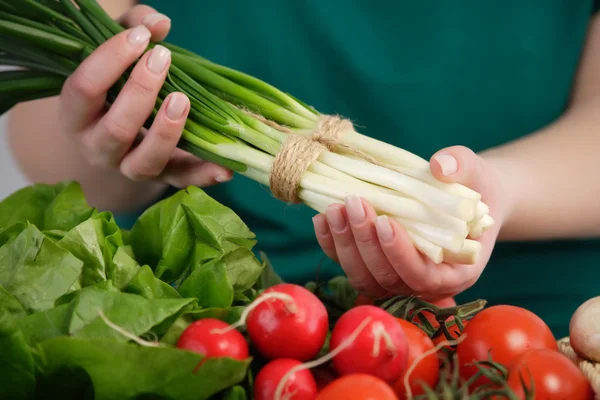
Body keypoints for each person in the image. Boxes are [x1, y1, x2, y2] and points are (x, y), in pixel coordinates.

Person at [7, 0, 600, 338]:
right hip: (248, 317)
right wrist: (111, 144)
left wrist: (504, 191)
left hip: (552, 323)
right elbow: (57, 162)